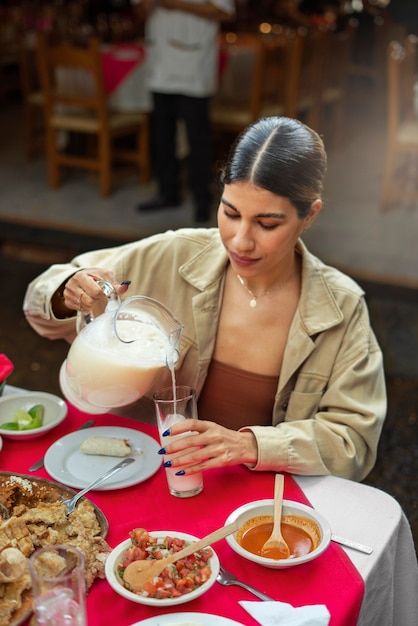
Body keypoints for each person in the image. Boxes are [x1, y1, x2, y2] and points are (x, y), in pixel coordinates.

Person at [23, 116, 386, 482]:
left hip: (258, 502)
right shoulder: (174, 254)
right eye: (230, 213)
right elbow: (39, 305)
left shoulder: (340, 307)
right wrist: (67, 289)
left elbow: (353, 442)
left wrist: (250, 445)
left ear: (309, 215)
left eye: (268, 224)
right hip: (138, 471)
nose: (240, 241)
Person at [133, 0, 235, 222]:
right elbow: (141, 11)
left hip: (194, 65)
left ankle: (202, 198)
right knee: (162, 136)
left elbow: (223, 12)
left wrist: (175, 4)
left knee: (198, 139)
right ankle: (168, 193)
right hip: (159, 63)